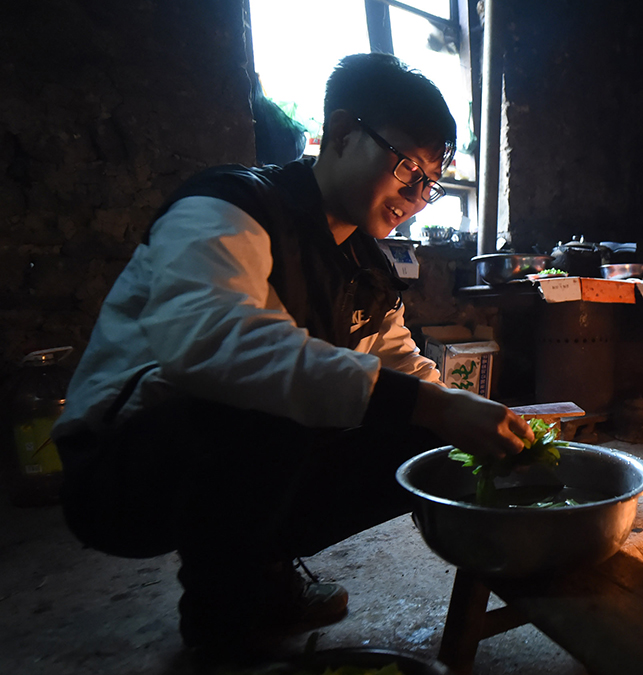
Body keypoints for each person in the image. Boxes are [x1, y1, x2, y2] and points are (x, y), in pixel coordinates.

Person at [51, 53, 534, 662]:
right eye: (408, 165)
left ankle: (265, 570)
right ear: (339, 132)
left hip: (234, 457)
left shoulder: (366, 268)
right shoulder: (226, 208)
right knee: (263, 403)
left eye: (430, 183)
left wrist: (469, 414)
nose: (416, 195)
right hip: (122, 473)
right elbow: (213, 347)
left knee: (426, 437)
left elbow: (405, 369)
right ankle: (219, 629)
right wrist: (427, 403)